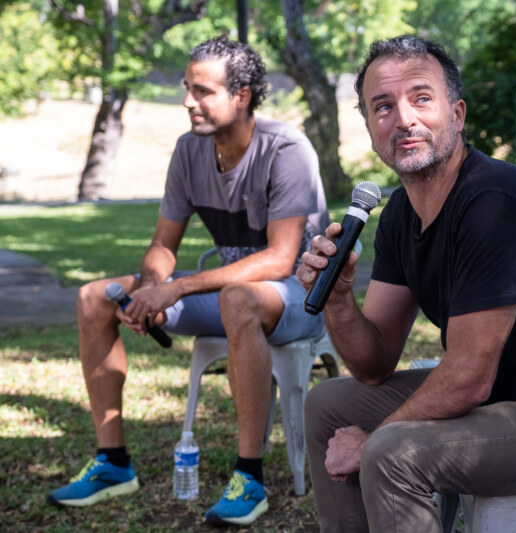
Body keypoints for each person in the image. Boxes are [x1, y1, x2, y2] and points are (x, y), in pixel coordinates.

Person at [296, 35, 516, 532]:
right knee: (328, 403)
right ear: (371, 131)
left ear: (457, 114)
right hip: (504, 398)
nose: (403, 119)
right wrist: (337, 299)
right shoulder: (399, 213)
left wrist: (373, 437)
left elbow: (467, 378)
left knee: (393, 452)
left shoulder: (494, 202)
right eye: (383, 107)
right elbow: (373, 365)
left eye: (421, 98)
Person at [47, 36, 329, 527]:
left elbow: (282, 259)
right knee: (95, 297)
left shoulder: (287, 149)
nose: (187, 102)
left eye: (202, 91)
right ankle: (112, 463)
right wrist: (153, 284)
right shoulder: (189, 151)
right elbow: (163, 245)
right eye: (186, 88)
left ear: (241, 96)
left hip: (299, 299)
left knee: (238, 300)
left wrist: (176, 288)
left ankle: (249, 477)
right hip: (227, 294)